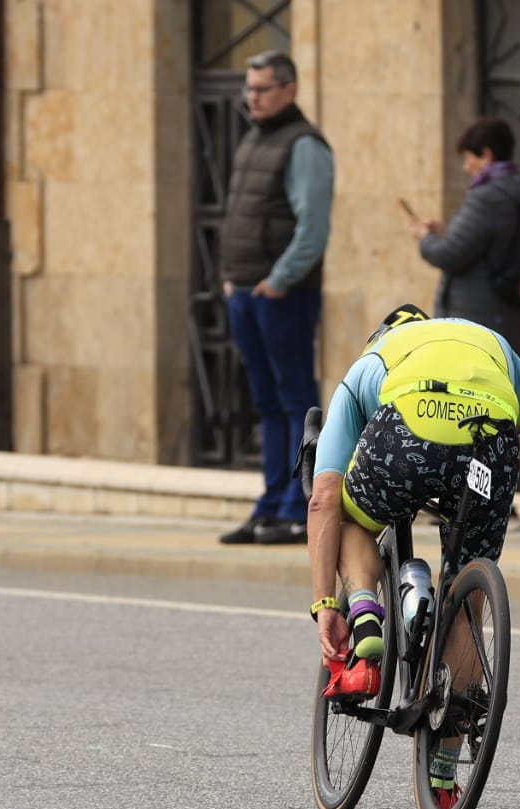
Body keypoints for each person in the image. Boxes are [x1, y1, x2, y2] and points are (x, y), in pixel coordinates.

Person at [306, 305, 520, 802]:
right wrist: (505, 461)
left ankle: (366, 615)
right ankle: (444, 775)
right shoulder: (490, 341)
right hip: (489, 443)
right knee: (467, 602)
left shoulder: (373, 360)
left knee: (350, 519)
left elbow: (323, 498)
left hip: (404, 435)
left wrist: (327, 604)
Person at [217, 50, 334, 547]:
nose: (253, 98)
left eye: (262, 89)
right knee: (266, 403)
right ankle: (267, 506)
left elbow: (313, 227)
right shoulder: (254, 138)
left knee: (293, 402)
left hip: (280, 295)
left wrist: (280, 279)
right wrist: (231, 278)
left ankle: (295, 507)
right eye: (249, 89)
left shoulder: (304, 145)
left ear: (290, 90)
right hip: (244, 290)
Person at [407, 116, 520, 353]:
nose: (466, 167)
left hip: (476, 318)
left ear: (486, 155)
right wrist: (446, 232)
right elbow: (485, 243)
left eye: (469, 158)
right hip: (501, 314)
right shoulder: (513, 192)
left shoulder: (488, 197)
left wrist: (424, 237)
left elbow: (450, 254)